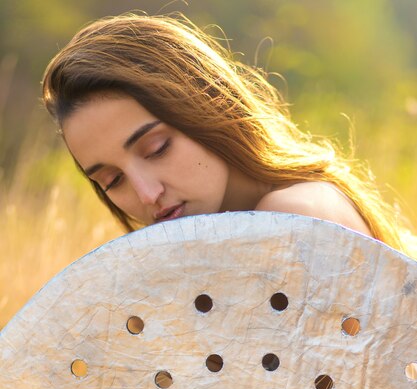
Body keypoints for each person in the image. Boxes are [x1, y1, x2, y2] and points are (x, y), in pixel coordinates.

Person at [42, 13, 414, 256]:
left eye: (157, 148)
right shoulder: (228, 238)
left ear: (210, 105)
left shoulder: (287, 216)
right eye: (113, 180)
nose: (146, 194)